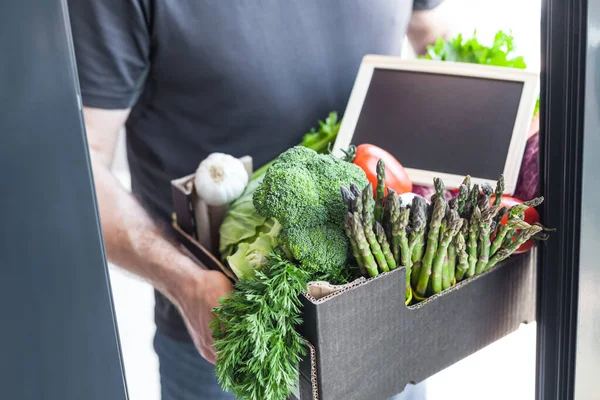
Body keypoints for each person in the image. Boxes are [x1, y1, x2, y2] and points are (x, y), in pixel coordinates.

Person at [67, 1, 450, 399]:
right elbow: (78, 160)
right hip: (231, 342)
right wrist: (185, 284)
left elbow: (428, 30)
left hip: (385, 329)